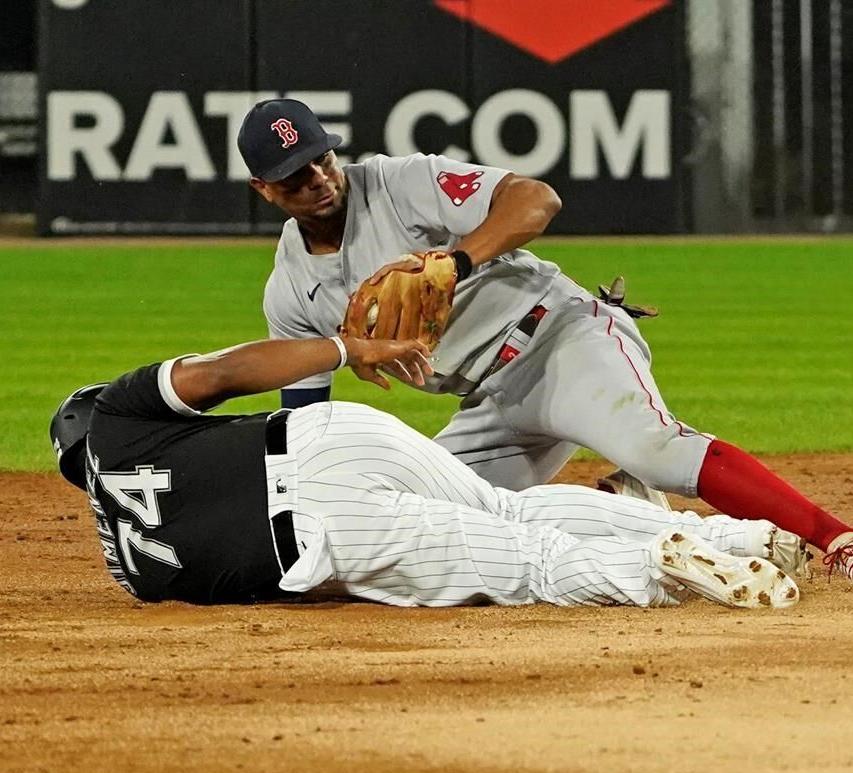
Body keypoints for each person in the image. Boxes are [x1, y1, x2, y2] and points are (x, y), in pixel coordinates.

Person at [235, 97, 853, 578]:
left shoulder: (401, 183)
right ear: (264, 190)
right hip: (491, 404)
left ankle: (835, 538)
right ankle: (630, 513)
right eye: (294, 175)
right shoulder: (291, 293)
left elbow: (535, 200)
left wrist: (457, 262)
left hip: (562, 337)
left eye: (322, 157)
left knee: (654, 450)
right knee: (436, 519)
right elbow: (305, 426)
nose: (318, 177)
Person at [50, 332, 804, 609]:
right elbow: (224, 372)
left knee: (528, 566)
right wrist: (348, 348)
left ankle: (656, 565)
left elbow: (271, 588)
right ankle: (736, 536)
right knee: (511, 510)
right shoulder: (119, 416)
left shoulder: (138, 580)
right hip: (332, 435)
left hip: (322, 532)